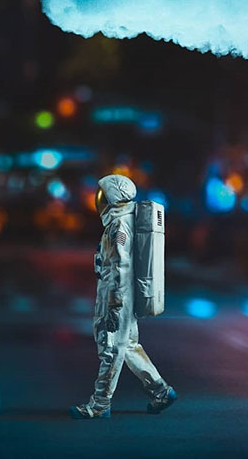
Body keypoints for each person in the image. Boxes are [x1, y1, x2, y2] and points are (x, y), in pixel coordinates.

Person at [70, 174, 177, 419]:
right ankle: (161, 391)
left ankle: (100, 404)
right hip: (118, 294)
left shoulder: (120, 226)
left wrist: (115, 302)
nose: (99, 201)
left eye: (102, 197)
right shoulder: (122, 221)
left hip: (118, 296)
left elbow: (121, 265)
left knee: (111, 348)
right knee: (127, 346)